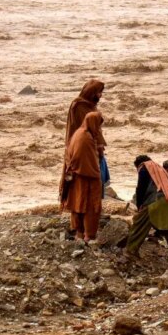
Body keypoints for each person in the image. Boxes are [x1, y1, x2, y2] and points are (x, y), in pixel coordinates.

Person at [124, 155, 168, 274]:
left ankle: (130, 252)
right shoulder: (160, 169)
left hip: (160, 200)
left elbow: (141, 188)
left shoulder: (145, 167)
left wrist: (140, 205)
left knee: (139, 224)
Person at [60, 80, 107, 234]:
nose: (100, 96)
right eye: (98, 92)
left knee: (79, 198)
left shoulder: (90, 109)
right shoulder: (79, 107)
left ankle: (80, 231)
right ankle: (85, 233)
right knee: (87, 200)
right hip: (82, 156)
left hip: (86, 153)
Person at [61, 111, 104, 242]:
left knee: (78, 205)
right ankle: (89, 235)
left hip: (76, 178)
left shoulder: (79, 134)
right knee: (91, 207)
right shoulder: (85, 139)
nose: (99, 128)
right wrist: (97, 174)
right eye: (98, 124)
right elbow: (86, 160)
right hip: (87, 179)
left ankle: (79, 233)